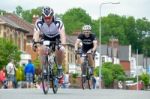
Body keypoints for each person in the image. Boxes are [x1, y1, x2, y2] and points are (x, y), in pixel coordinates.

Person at [32, 6, 66, 79]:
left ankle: (59, 68)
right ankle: (44, 69)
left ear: (52, 16)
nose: (47, 20)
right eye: (45, 18)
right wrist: (34, 43)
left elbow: (62, 33)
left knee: (60, 49)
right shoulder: (39, 22)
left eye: (49, 18)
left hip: (57, 37)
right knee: (41, 49)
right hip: (46, 37)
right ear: (43, 17)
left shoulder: (58, 21)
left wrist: (63, 43)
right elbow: (36, 33)